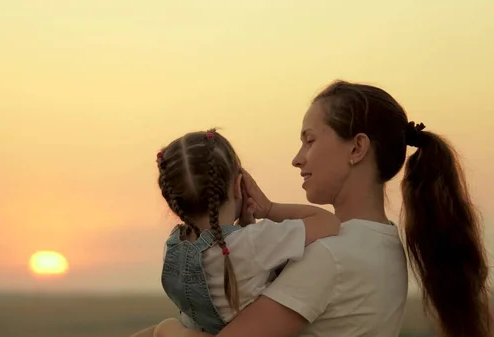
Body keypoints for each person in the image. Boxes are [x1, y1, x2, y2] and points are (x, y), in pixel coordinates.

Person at [153, 80, 491, 337]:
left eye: (310, 140)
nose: (297, 158)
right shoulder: (381, 242)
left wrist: (166, 330)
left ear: (357, 148)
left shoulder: (331, 255)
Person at [136, 128, 340, 335]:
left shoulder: (173, 247)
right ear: (238, 186)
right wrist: (269, 208)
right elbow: (328, 222)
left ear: (173, 203)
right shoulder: (254, 242)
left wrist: (245, 228)